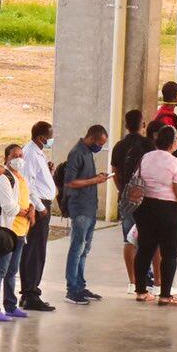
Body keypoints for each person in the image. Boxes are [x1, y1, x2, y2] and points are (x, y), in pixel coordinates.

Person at [132, 122, 177, 306]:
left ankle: (141, 291)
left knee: (144, 250)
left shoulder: (146, 157)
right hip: (168, 212)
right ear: (174, 143)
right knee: (170, 253)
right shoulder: (175, 163)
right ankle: (165, 295)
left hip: (145, 208)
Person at [60, 122, 109, 304]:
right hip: (79, 208)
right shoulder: (77, 153)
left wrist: (97, 178)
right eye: (100, 143)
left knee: (85, 249)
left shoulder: (88, 152)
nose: (100, 147)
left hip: (89, 207)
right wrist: (95, 180)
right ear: (91, 138)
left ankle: (80, 284)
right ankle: (71, 288)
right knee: (77, 247)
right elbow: (70, 182)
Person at [18, 120, 57, 311]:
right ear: (41, 138)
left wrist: (49, 173)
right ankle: (30, 293)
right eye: (50, 137)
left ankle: (30, 291)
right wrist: (40, 207)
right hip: (39, 205)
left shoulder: (38, 152)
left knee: (36, 249)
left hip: (42, 202)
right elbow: (27, 184)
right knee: (35, 249)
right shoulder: (31, 153)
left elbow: (37, 179)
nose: (51, 140)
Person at [0, 143, 32, 321]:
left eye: (21, 155)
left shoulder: (21, 178)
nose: (19, 159)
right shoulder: (2, 179)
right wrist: (27, 212)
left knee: (12, 271)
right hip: (7, 231)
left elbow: (26, 198)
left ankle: (10, 305)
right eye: (15, 156)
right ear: (6, 158)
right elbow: (9, 207)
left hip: (21, 231)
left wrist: (31, 209)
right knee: (0, 270)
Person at [111, 108, 151, 286]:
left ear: (126, 125)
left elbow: (115, 172)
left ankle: (132, 281)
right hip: (146, 199)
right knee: (147, 239)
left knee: (129, 238)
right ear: (143, 125)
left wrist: (124, 191)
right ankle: (146, 276)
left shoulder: (119, 146)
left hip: (127, 199)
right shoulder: (149, 145)